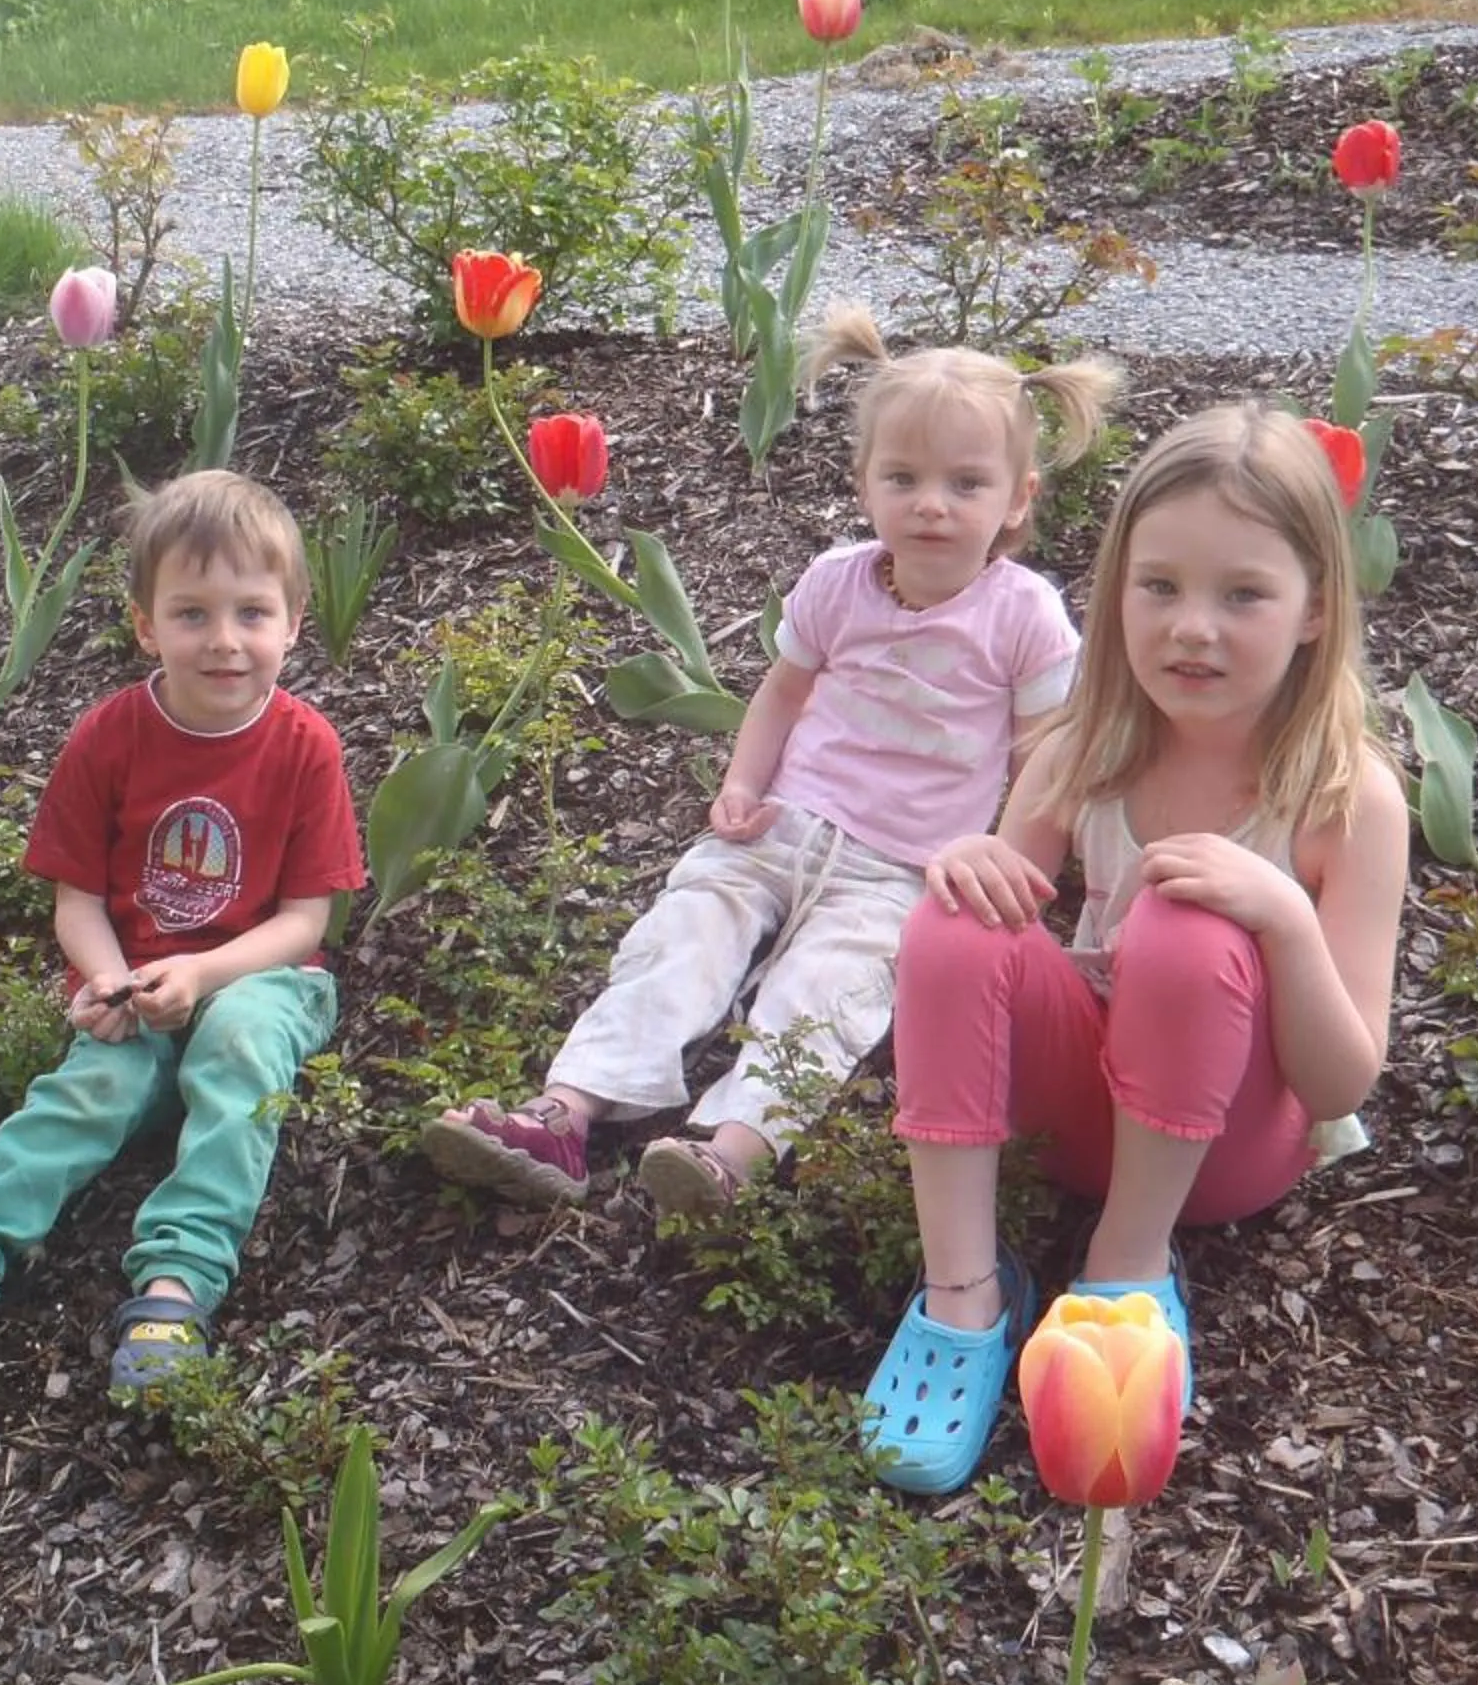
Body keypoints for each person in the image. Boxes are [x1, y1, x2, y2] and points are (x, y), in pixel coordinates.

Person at [420, 306, 1117, 1221]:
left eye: (966, 483)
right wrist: (744, 782)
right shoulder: (837, 581)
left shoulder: (1022, 614)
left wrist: (1021, 866)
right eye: (902, 477)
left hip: (904, 867)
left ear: (1017, 499)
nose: (931, 503)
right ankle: (569, 1109)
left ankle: (731, 1153)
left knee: (830, 993)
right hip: (784, 823)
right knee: (684, 931)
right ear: (863, 481)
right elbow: (784, 694)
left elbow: (1043, 755)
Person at [863, 401, 1409, 1495]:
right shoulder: (1081, 752)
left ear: (1313, 611)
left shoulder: (1347, 800)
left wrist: (1284, 918)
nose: (1190, 628)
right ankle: (965, 1293)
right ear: (1115, 593)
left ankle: (1125, 1274)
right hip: (1074, 1124)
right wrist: (973, 863)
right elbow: (994, 954)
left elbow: (1343, 1079)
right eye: (1158, 586)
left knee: (1190, 917)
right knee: (959, 913)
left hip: (1225, 1155)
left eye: (1243, 594)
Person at [0, 470, 366, 1438]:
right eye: (192, 613)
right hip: (132, 980)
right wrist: (112, 981)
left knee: (238, 1049)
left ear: (293, 622)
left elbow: (306, 923)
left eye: (253, 612)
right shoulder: (110, 738)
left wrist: (203, 973)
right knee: (90, 1093)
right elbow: (78, 902)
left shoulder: (305, 747)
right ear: (146, 626)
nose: (226, 640)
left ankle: (175, 1281)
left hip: (264, 978)